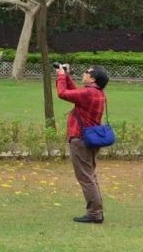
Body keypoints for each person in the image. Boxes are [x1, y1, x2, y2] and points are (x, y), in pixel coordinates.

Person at [57, 63, 110, 224]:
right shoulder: (98, 93)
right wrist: (66, 76)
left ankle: (94, 213)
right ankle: (97, 211)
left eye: (87, 72)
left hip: (80, 139)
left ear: (93, 78)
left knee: (86, 177)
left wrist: (60, 76)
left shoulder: (88, 94)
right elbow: (75, 93)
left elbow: (63, 93)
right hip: (91, 139)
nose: (84, 73)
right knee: (91, 175)